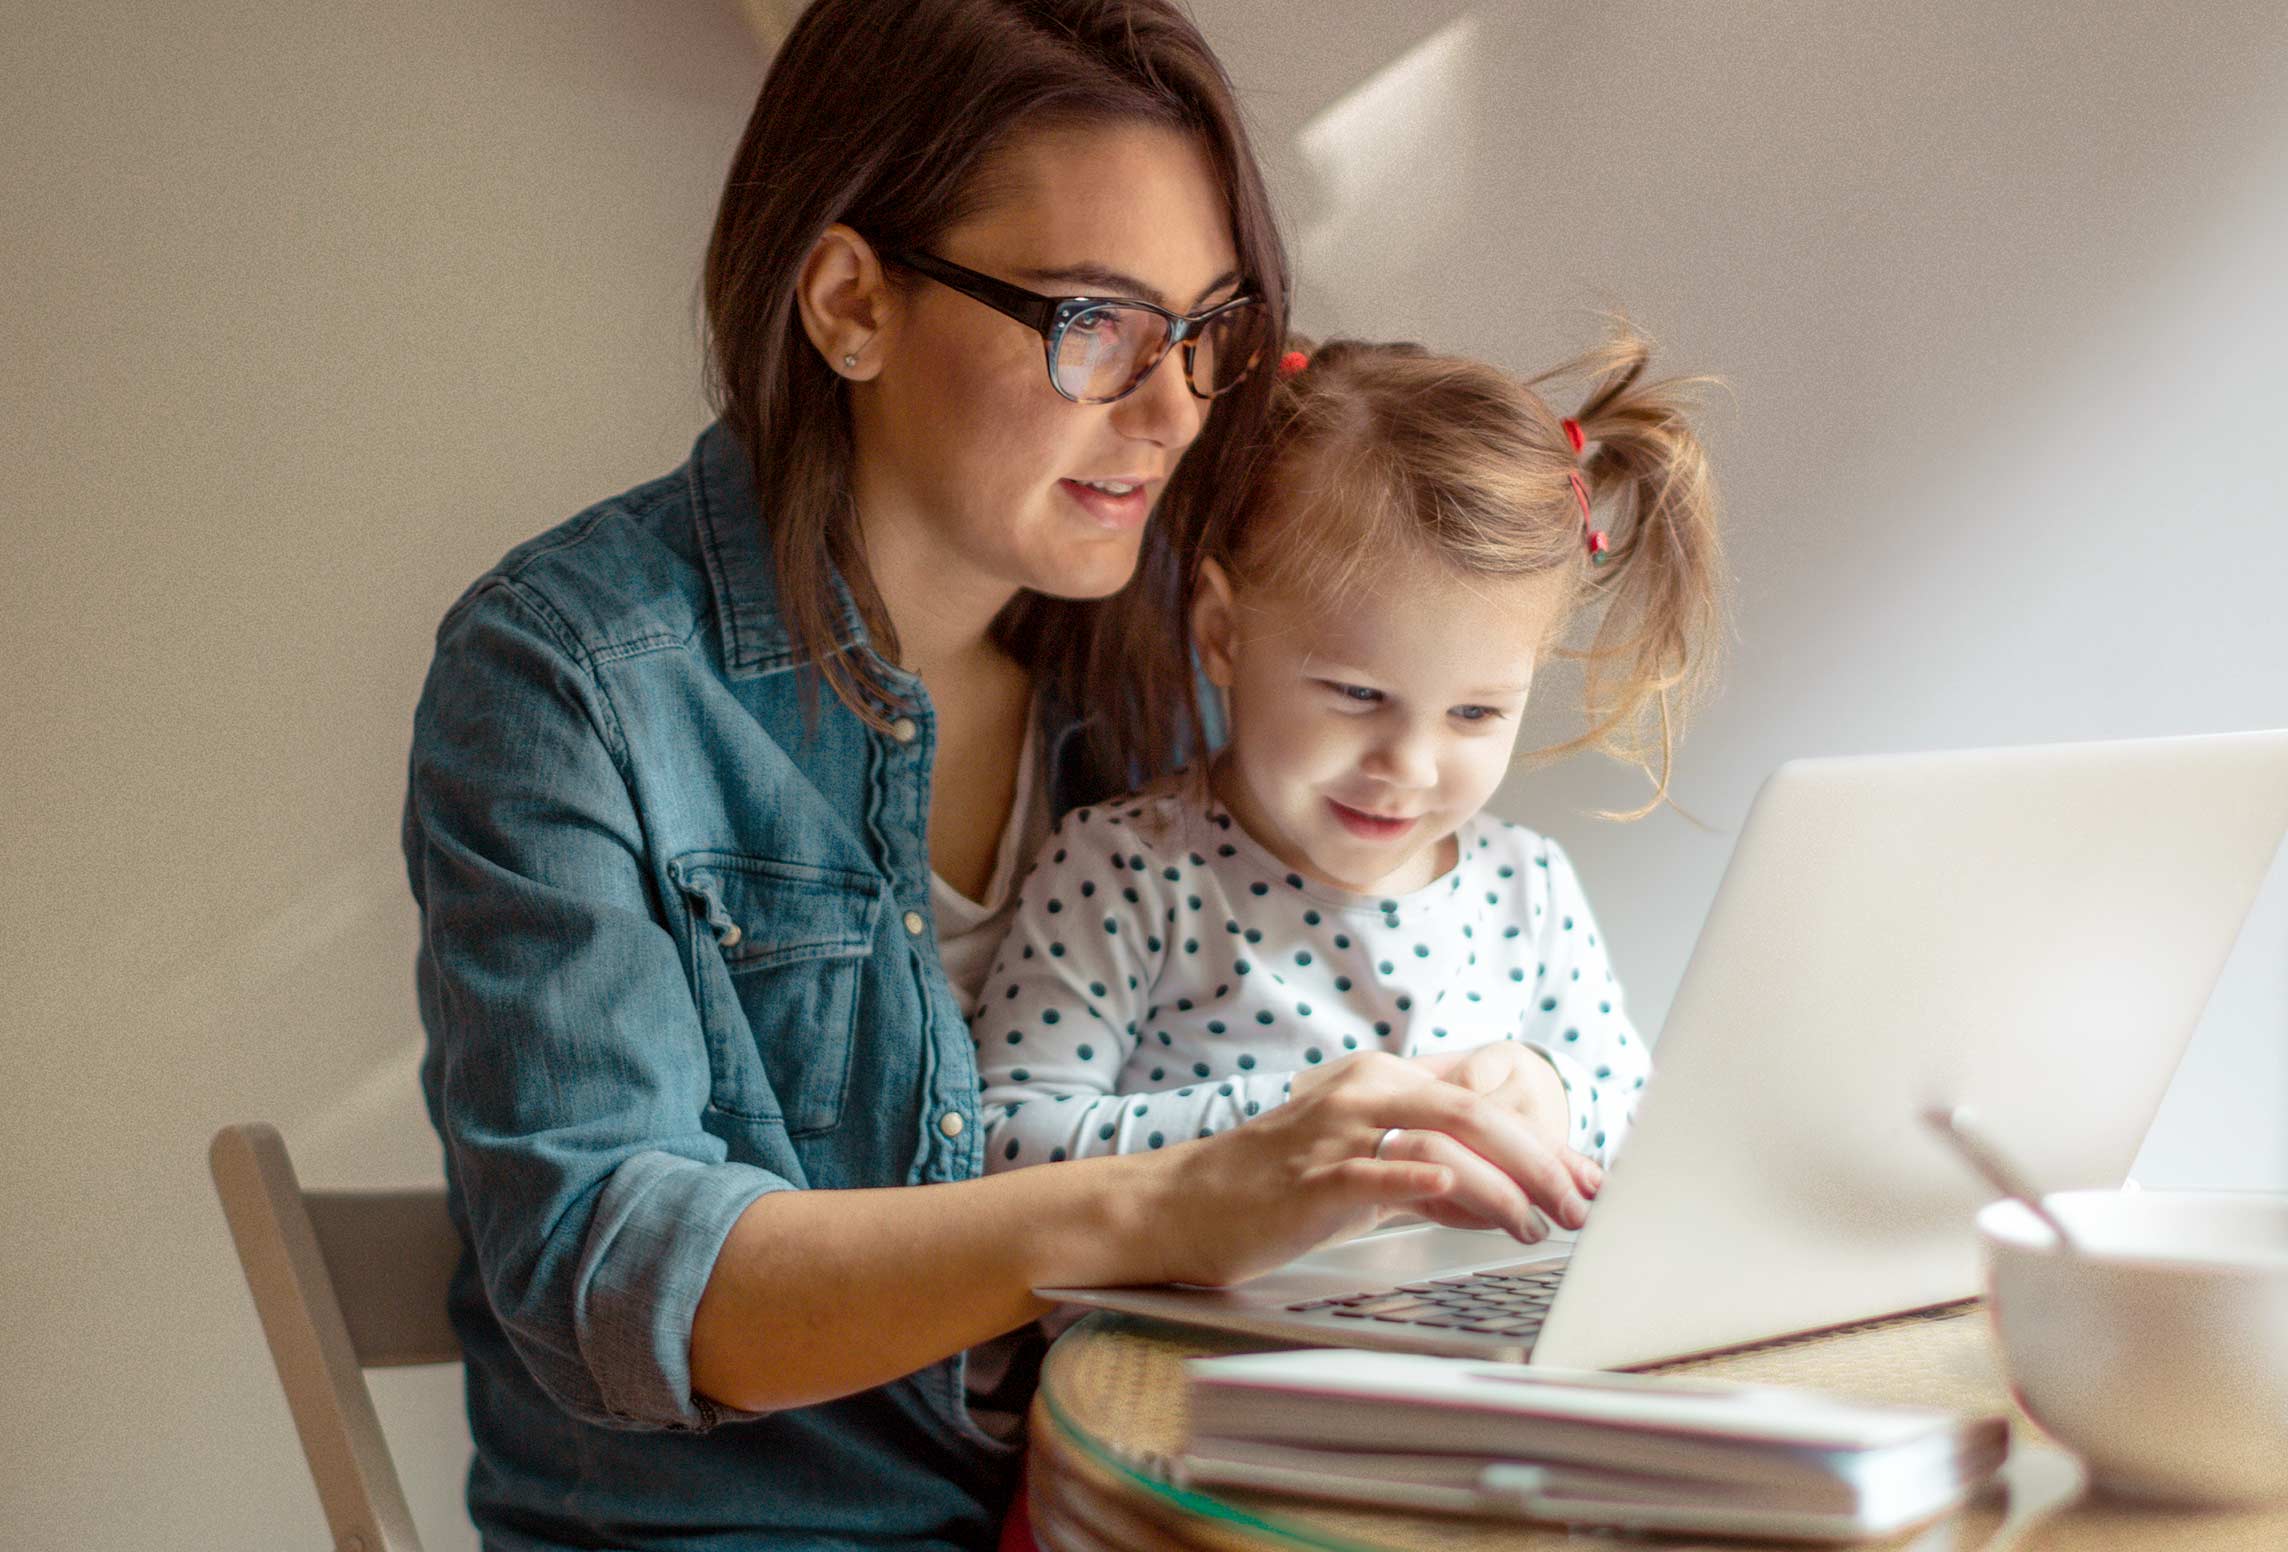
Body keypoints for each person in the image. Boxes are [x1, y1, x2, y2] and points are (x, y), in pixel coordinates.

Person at [402, 2, 1600, 1547]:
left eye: (1207, 329)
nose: (1173, 412)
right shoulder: (569, 674)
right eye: (1094, 322)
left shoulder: (1192, 648)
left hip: (1139, 1504)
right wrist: (1181, 1197)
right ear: (850, 303)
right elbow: (612, 1274)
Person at [975, 334, 1725, 1220]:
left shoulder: (1529, 890)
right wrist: (1296, 1127)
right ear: (1223, 634)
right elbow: (1004, 1148)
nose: (1407, 766)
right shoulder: (1130, 872)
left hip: (1454, 1342)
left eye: (1476, 714)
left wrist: (1555, 1097)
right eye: (1358, 694)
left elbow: (1646, 1131)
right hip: (1179, 1355)